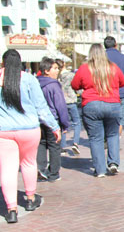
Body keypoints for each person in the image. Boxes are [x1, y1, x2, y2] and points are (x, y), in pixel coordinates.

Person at [0, 50, 60, 223]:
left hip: (4, 131)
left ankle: (11, 209)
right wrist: (54, 126)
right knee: (28, 163)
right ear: (20, 62)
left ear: (3, 63)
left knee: (8, 169)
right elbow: (41, 107)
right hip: (29, 129)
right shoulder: (29, 79)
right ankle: (30, 199)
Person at [72, 44, 124, 178]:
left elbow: (75, 85)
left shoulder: (85, 68)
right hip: (113, 104)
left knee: (96, 138)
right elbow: (123, 82)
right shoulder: (112, 67)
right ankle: (113, 163)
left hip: (92, 105)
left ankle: (100, 169)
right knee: (113, 135)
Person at [36, 57, 70, 183]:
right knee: (54, 146)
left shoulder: (35, 83)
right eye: (54, 68)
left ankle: (40, 169)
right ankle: (53, 173)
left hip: (38, 120)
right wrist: (65, 123)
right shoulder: (53, 85)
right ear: (46, 70)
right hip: (52, 120)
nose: (57, 71)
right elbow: (60, 106)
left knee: (41, 144)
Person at [57, 60, 82, 155]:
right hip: (71, 101)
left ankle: (62, 146)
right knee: (77, 122)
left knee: (62, 124)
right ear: (64, 65)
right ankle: (75, 143)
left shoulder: (57, 77)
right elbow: (78, 88)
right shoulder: (71, 75)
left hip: (60, 102)